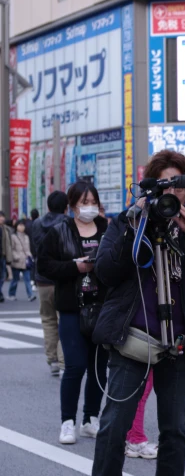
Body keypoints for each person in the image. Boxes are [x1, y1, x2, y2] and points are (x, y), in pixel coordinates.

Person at [88, 150, 185, 476]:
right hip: (132, 339)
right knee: (114, 425)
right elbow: (104, 270)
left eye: (179, 185)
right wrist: (137, 225)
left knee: (174, 429)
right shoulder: (129, 222)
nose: (174, 193)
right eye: (164, 185)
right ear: (151, 188)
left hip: (177, 344)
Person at [38, 181, 108, 445]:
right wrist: (73, 267)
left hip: (102, 306)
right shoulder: (60, 231)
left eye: (92, 202)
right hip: (71, 307)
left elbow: (118, 261)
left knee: (99, 368)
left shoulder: (107, 228)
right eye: (83, 202)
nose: (88, 207)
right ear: (72, 204)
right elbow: (44, 265)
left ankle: (91, 418)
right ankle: (67, 421)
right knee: (75, 366)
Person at [31, 191, 68, 376]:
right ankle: (62, 362)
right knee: (64, 320)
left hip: (42, 279)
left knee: (48, 320)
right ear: (66, 206)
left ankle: (52, 360)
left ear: (48, 206)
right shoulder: (67, 224)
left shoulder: (37, 224)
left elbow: (34, 250)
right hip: (62, 277)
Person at [8, 221, 37, 301]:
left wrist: (30, 256)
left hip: (26, 261)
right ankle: (11, 294)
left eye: (23, 225)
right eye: (20, 225)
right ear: (16, 226)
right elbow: (11, 249)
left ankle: (30, 295)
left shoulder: (26, 236)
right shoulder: (13, 236)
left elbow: (28, 249)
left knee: (27, 279)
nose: (22, 227)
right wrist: (16, 257)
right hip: (17, 261)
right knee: (15, 279)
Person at [0, 211, 13, 302]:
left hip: (3, 255)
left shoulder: (5, 229)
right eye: (0, 217)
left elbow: (8, 244)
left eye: (3, 217)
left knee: (2, 276)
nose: (2, 218)